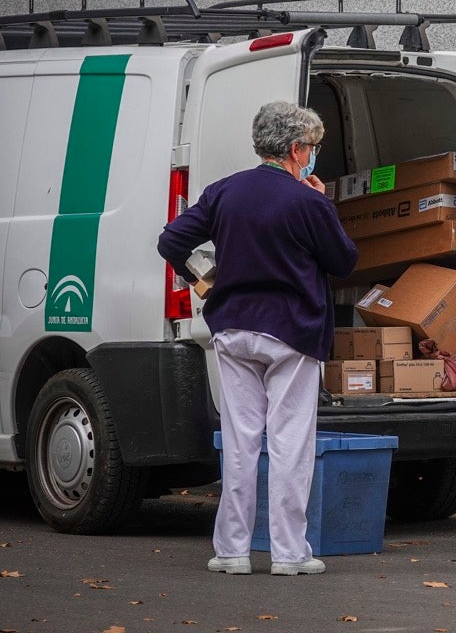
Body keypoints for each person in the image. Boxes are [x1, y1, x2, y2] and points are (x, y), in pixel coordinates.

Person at [157, 101, 357, 577]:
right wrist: (325, 203)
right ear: (295, 149)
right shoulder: (308, 201)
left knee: (241, 441)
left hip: (233, 328)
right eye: (312, 147)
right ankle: (289, 553)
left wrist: (204, 282)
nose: (313, 154)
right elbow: (344, 261)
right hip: (292, 331)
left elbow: (171, 241)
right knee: (290, 442)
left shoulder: (225, 191)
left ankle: (231, 550)